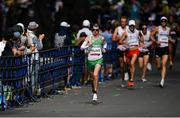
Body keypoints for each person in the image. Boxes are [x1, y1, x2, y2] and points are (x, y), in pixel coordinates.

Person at [81, 24, 107, 101]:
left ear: (99, 31)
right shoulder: (89, 38)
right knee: (93, 77)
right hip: (90, 60)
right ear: (92, 30)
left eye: (97, 30)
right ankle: (94, 89)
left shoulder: (101, 38)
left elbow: (105, 44)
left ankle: (95, 93)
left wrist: (104, 48)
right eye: (93, 30)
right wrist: (88, 45)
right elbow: (81, 47)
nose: (95, 31)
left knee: (95, 75)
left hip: (99, 59)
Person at [151, 16, 174, 88]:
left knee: (163, 64)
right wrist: (155, 41)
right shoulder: (158, 28)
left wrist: (171, 40)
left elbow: (168, 37)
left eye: (164, 21)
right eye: (162, 21)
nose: (163, 22)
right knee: (158, 66)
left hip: (165, 48)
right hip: (158, 48)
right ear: (161, 22)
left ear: (166, 22)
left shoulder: (168, 29)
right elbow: (151, 35)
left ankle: (162, 80)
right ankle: (158, 67)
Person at [120, 20, 143, 87]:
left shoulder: (138, 32)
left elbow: (142, 38)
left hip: (135, 50)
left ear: (134, 26)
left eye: (133, 26)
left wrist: (141, 41)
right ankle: (128, 75)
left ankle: (131, 79)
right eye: (131, 26)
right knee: (128, 64)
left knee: (132, 63)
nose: (132, 27)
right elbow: (120, 41)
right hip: (128, 50)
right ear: (129, 26)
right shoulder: (126, 32)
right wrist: (125, 43)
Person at [26, 21, 45, 95]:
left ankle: (31, 92)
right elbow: (40, 47)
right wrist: (40, 39)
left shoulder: (27, 34)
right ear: (34, 29)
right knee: (34, 75)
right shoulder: (33, 36)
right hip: (34, 58)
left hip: (29, 57)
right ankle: (32, 92)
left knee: (29, 75)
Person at [113, 16, 129, 87]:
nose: (123, 23)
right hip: (120, 48)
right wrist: (119, 38)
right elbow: (113, 39)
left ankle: (127, 72)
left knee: (127, 63)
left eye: (124, 22)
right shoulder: (117, 29)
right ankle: (123, 80)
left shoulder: (129, 28)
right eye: (122, 22)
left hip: (128, 48)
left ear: (126, 22)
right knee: (122, 65)